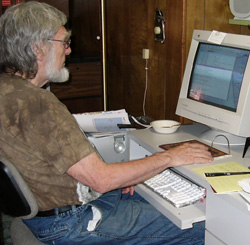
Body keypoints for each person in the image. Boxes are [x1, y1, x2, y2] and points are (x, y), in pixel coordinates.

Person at [0, 2, 213, 244]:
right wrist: (170, 158)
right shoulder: (39, 104)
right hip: (71, 225)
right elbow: (101, 179)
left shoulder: (7, 90)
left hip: (46, 214)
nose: (68, 51)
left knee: (146, 196)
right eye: (64, 42)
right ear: (38, 48)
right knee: (206, 226)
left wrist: (126, 177)